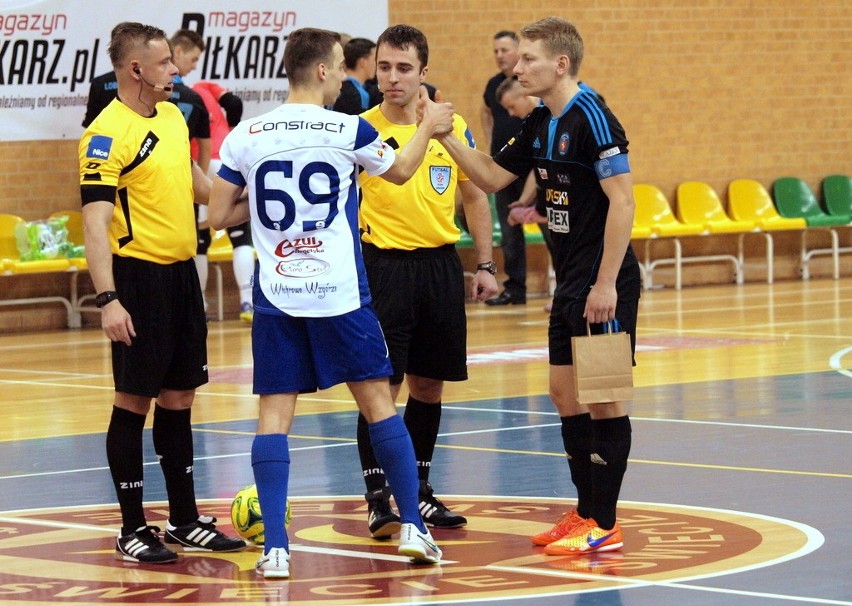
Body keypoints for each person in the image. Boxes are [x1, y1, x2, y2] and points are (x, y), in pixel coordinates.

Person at [207, 27, 453, 577]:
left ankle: (275, 549)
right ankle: (412, 525)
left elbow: (219, 215)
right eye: (342, 65)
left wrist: (273, 208)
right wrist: (431, 127)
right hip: (339, 293)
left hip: (279, 296)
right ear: (321, 71)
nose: (346, 75)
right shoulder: (347, 129)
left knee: (274, 418)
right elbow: (404, 169)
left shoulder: (247, 136)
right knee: (378, 404)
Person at [435, 16, 639, 556]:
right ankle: (585, 511)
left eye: (528, 59)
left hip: (603, 282)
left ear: (561, 63)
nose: (517, 67)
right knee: (562, 393)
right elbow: (494, 178)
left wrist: (605, 285)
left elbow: (624, 202)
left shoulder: (593, 117)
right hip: (570, 281)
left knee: (604, 399)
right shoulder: (540, 119)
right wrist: (446, 135)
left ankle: (607, 522)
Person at [78, 22, 246, 565]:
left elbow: (197, 184)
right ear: (136, 70)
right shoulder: (105, 134)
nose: (176, 71)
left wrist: (249, 196)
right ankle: (132, 528)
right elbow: (95, 224)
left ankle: (184, 518)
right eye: (167, 63)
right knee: (134, 401)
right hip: (137, 281)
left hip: (180, 278)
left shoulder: (174, 116)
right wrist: (108, 300)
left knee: (180, 398)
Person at [355, 24, 498, 540]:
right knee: (381, 386)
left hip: (439, 264)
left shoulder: (452, 126)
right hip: (383, 267)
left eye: (403, 68)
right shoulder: (360, 129)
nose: (391, 78)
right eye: (384, 66)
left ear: (423, 73)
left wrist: (484, 263)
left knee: (429, 383)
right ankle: (378, 497)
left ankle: (418, 487)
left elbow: (477, 194)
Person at [192, 80, 256, 322]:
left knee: (199, 241)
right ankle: (247, 301)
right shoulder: (204, 86)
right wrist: (231, 128)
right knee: (241, 235)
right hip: (224, 160)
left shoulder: (172, 96)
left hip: (197, 164)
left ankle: (199, 306)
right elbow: (234, 102)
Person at [480, 30, 527, 306]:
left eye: (504, 50)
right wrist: (490, 142)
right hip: (502, 166)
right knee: (510, 234)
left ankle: (563, 287)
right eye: (495, 50)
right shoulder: (493, 85)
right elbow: (485, 111)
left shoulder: (527, 81)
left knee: (548, 227)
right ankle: (515, 289)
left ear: (518, 51)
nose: (499, 55)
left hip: (529, 168)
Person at [333, 37, 381, 115]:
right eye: (374, 60)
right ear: (363, 62)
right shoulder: (360, 94)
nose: (376, 64)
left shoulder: (334, 85)